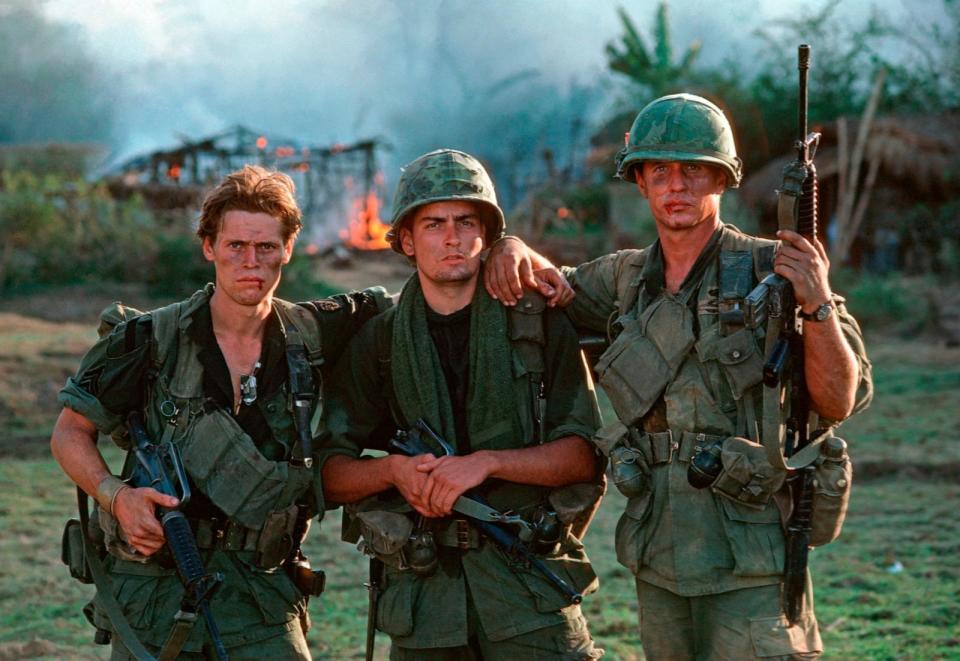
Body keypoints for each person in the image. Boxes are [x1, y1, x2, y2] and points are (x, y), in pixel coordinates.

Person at [486, 94, 874, 660]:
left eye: (694, 169)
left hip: (752, 555)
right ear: (639, 182)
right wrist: (511, 243)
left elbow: (839, 401)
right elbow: (546, 287)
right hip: (659, 553)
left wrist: (814, 301)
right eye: (660, 171)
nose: (677, 186)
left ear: (722, 178)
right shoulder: (624, 279)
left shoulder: (777, 271)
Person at [51, 165, 391, 660]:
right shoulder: (148, 340)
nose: (250, 262)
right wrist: (116, 497)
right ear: (209, 247)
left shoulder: (314, 332)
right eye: (235, 246)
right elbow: (69, 433)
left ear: (288, 250)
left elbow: (428, 295)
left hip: (261, 594)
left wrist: (508, 253)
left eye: (266, 248)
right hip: (155, 590)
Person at [318, 149, 605, 660]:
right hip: (426, 602)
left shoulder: (534, 325)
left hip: (528, 595)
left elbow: (584, 456)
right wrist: (395, 472)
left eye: (465, 221)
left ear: (487, 235)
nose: (451, 237)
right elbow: (330, 474)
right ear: (406, 239)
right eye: (433, 223)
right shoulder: (380, 342)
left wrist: (486, 463)